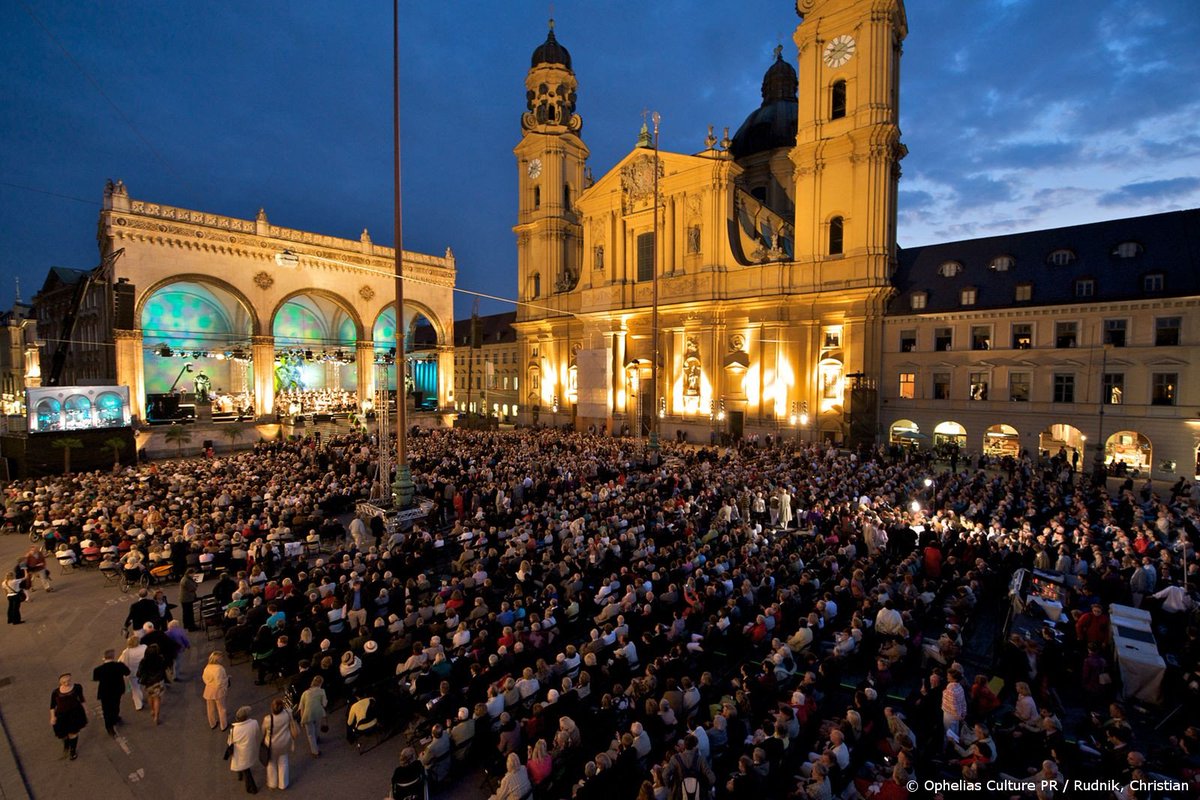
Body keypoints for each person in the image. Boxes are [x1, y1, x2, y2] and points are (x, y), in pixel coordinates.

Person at [50, 673, 89, 760]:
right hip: (61, 715)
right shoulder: (55, 692)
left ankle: (72, 750)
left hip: (74, 714)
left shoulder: (77, 687)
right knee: (63, 733)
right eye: (64, 682)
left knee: (73, 733)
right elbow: (52, 706)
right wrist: (52, 717)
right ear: (60, 682)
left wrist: (86, 709)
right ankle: (66, 744)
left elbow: (82, 699)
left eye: (68, 681)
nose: (66, 683)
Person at [92, 649, 130, 735]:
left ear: (104, 658)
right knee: (116, 704)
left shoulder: (98, 670)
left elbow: (95, 678)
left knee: (106, 709)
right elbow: (127, 672)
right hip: (117, 689)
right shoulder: (119, 666)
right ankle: (115, 717)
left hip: (105, 692)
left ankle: (109, 727)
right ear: (113, 657)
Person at [666, 734, 715, 800]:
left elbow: (665, 775)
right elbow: (712, 778)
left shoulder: (675, 758)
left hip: (680, 795)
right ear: (694, 746)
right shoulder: (700, 759)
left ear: (685, 745)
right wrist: (708, 788)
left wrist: (671, 786)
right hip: (697, 794)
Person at [263, 698, 297, 790]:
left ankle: (272, 783)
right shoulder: (287, 715)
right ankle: (283, 784)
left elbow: (264, 730)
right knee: (283, 762)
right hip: (284, 742)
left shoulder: (268, 719)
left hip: (271, 745)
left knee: (271, 764)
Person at [227, 705, 261, 794]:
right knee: (246, 767)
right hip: (250, 749)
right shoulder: (254, 723)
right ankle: (242, 777)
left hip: (240, 752)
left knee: (246, 770)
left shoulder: (234, 730)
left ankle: (251, 788)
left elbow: (230, 742)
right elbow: (257, 733)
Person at [137, 643, 169, 725]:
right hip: (158, 681)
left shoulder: (144, 661)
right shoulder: (160, 659)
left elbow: (139, 672)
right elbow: (164, 667)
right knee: (157, 698)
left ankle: (152, 710)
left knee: (150, 696)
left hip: (148, 682)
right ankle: (156, 716)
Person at [297, 675, 328, 757]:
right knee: (317, 726)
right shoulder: (322, 691)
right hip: (318, 712)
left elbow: (301, 707)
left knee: (310, 734)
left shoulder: (305, 693)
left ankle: (315, 752)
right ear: (321, 683)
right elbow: (324, 704)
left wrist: (302, 719)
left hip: (307, 715)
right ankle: (317, 737)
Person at [118, 634, 147, 712]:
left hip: (133, 673)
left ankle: (138, 704)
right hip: (144, 670)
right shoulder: (144, 647)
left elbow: (122, 662)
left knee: (135, 688)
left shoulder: (126, 652)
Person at [203, 651, 230, 730]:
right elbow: (220, 682)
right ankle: (223, 725)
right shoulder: (219, 668)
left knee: (210, 709)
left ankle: (213, 723)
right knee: (221, 708)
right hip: (218, 691)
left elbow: (204, 679)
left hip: (208, 690)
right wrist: (227, 679)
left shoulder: (207, 667)